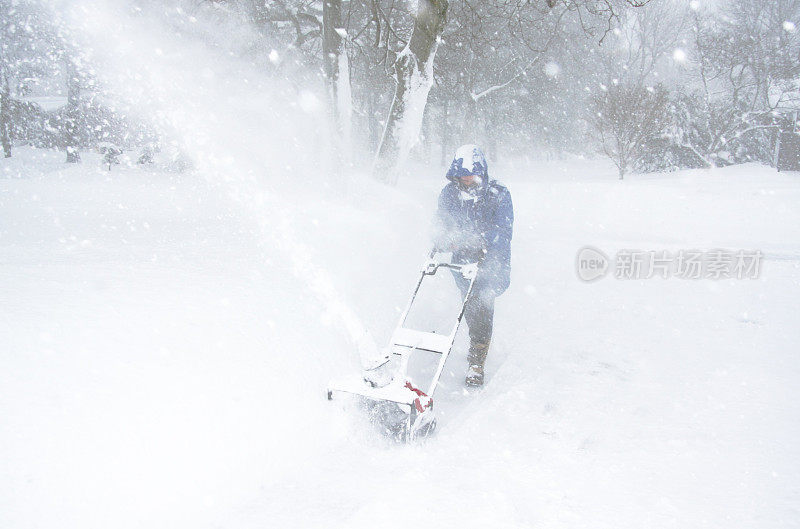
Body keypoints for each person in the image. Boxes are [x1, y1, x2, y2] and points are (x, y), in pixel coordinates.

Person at [432, 144, 513, 387]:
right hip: (462, 264)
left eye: (471, 174)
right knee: (470, 307)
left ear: (482, 172)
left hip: (491, 263)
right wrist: (442, 240)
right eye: (462, 174)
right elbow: (440, 223)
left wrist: (478, 241)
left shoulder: (498, 194)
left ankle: (477, 361)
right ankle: (476, 345)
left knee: (482, 306)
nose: (467, 179)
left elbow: (503, 231)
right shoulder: (449, 193)